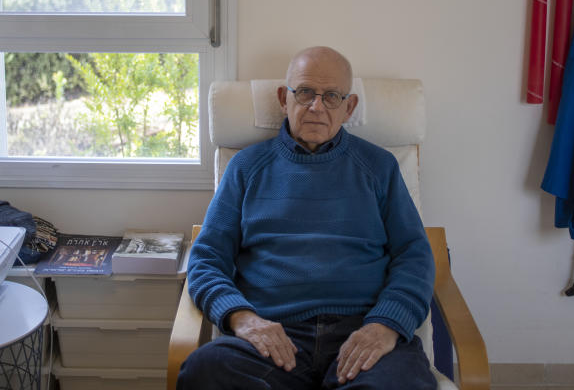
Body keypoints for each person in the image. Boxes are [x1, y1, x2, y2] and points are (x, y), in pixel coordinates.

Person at [178, 46, 436, 389]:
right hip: (270, 336)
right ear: (284, 99)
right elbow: (207, 258)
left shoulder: (379, 167)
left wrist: (385, 325)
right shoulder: (245, 168)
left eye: (331, 96)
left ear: (350, 107)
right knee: (205, 370)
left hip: (362, 330)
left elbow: (415, 256)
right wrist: (242, 319)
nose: (317, 106)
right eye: (305, 93)